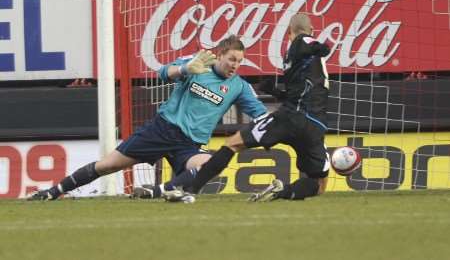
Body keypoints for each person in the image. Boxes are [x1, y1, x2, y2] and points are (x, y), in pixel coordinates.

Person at [28, 35, 267, 201]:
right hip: (162, 130)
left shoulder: (239, 87)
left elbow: (261, 114)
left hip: (189, 145)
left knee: (211, 165)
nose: (235, 65)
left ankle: (157, 191)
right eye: (232, 59)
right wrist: (184, 69)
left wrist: (277, 126)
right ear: (220, 54)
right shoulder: (199, 62)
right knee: (107, 165)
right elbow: (162, 72)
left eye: (239, 61)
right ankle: (53, 191)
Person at [162, 13, 331, 202]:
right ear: (313, 30)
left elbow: (306, 42)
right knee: (319, 184)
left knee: (232, 144)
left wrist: (320, 47)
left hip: (290, 118)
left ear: (288, 32)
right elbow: (302, 93)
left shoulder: (302, 43)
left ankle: (190, 190)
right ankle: (281, 191)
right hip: (315, 125)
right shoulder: (312, 65)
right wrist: (276, 92)